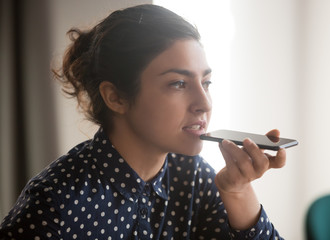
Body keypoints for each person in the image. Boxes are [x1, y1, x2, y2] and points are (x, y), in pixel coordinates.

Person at [0, 4, 286, 240]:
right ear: (116, 97)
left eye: (206, 82)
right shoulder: (56, 201)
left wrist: (238, 192)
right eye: (178, 83)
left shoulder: (196, 177)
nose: (205, 103)